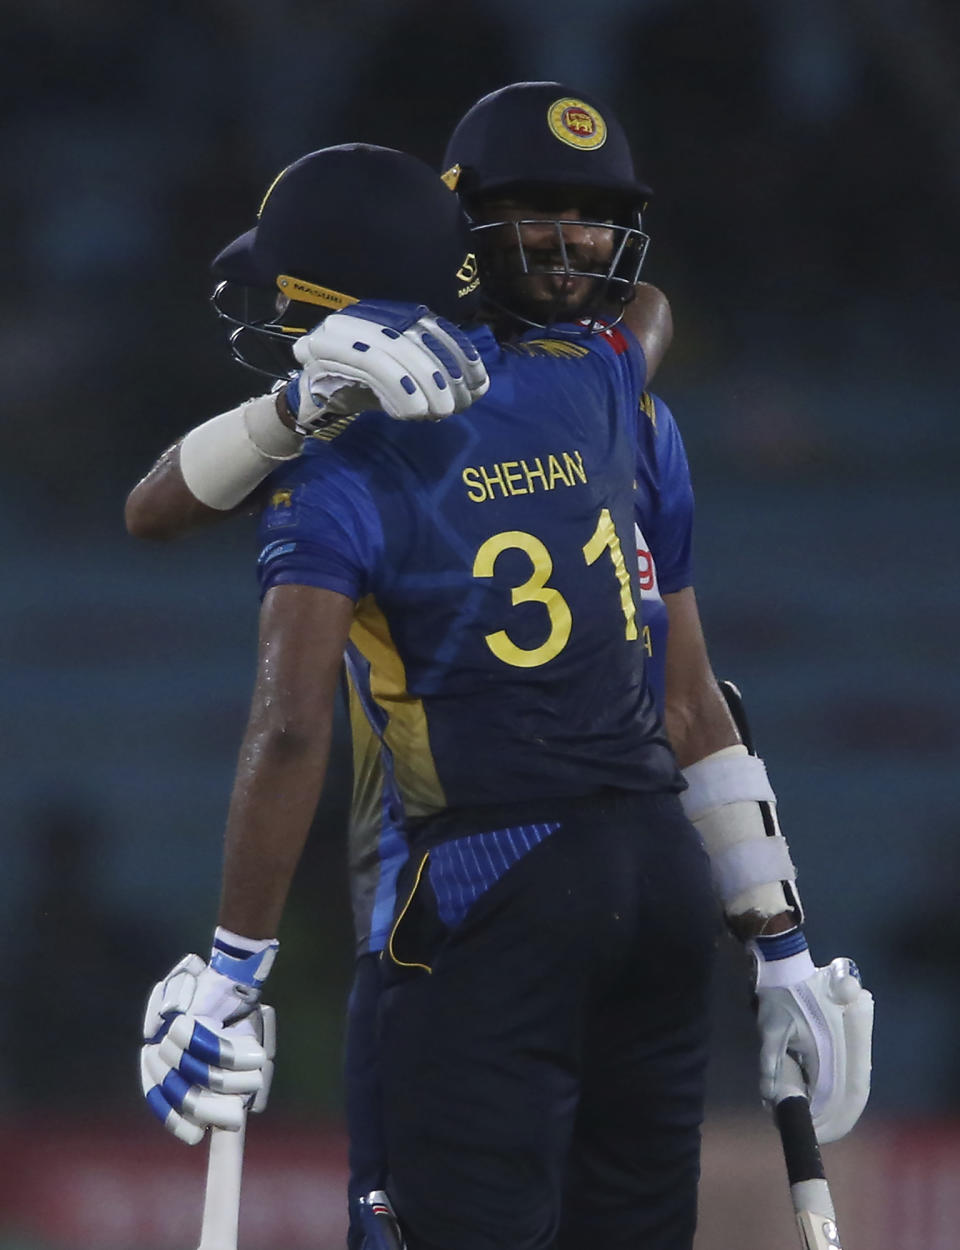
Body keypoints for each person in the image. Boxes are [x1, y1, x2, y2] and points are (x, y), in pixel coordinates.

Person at [133, 91, 872, 1250]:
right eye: (537, 213)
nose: (569, 244)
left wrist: (231, 969)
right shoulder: (610, 389)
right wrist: (778, 943)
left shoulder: (344, 462)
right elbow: (694, 701)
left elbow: (278, 717)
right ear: (465, 231)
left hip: (471, 887)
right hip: (658, 882)